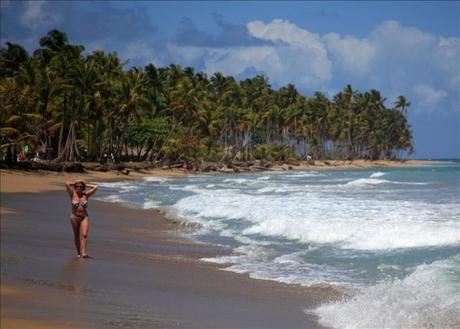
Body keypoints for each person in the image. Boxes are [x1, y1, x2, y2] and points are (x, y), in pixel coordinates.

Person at [65, 179, 98, 258]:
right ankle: (78, 253)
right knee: (76, 235)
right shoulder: (72, 194)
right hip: (74, 217)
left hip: (84, 217)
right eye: (77, 186)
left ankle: (84, 253)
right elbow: (67, 183)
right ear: (75, 187)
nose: (79, 187)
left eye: (81, 186)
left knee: (84, 235)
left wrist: (85, 184)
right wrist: (75, 183)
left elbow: (95, 187)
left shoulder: (86, 195)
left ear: (83, 187)